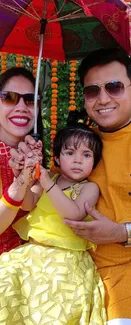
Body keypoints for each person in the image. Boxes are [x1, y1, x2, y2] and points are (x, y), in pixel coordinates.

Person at [0, 125, 106, 325]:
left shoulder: (88, 188)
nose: (78, 160)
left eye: (87, 155)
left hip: (67, 259)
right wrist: (24, 175)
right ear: (56, 158)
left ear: (95, 162)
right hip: (33, 252)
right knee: (2, 280)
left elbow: (73, 213)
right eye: (70, 153)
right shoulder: (48, 179)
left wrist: (47, 183)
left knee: (55, 309)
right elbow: (28, 203)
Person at [64, 48, 131, 324]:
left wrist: (119, 232)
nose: (103, 99)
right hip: (73, 278)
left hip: (122, 287)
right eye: (92, 91)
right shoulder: (79, 145)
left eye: (114, 87)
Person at [0, 67, 43, 295]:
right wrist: (20, 182)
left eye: (30, 100)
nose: (21, 107)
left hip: (32, 264)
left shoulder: (39, 158)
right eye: (10, 98)